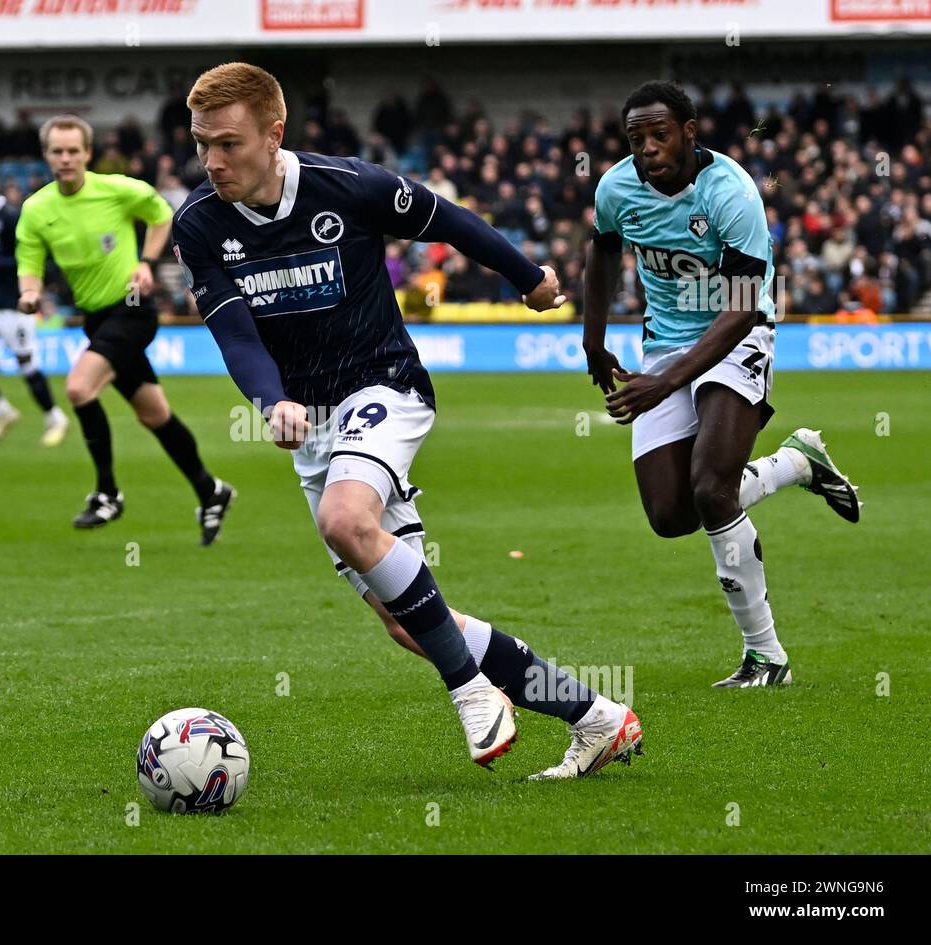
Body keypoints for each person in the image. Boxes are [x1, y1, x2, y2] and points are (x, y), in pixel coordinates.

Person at [173, 62, 642, 779]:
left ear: (274, 134)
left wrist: (528, 278)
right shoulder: (199, 225)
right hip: (314, 424)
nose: (212, 160)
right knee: (409, 621)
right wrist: (274, 402)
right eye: (202, 142)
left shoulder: (349, 185)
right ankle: (598, 717)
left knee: (344, 519)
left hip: (384, 387)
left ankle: (470, 692)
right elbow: (236, 333)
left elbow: (447, 220)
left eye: (228, 143)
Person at [583, 81, 861, 689]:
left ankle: (766, 656)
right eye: (636, 138)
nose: (648, 148)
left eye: (660, 134)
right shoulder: (615, 188)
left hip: (738, 337)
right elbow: (601, 253)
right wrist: (593, 337)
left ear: (689, 130)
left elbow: (739, 308)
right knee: (669, 514)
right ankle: (794, 464)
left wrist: (666, 383)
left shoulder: (731, 192)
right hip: (665, 346)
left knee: (712, 488)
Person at [16, 116, 235, 544]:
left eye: (73, 151)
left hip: (132, 310)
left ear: (87, 154)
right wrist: (28, 293)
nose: (65, 159)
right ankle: (211, 491)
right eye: (57, 151)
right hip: (96, 320)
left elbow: (160, 214)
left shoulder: (116, 189)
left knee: (79, 389)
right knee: (155, 415)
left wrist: (146, 263)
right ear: (46, 156)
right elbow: (29, 261)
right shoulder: (37, 209)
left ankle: (107, 493)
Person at [0, 171, 69, 447]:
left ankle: (55, 417)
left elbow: (31, 259)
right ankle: (2, 411)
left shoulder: (10, 217)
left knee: (26, 364)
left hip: (16, 302)